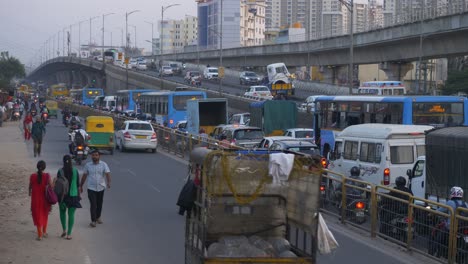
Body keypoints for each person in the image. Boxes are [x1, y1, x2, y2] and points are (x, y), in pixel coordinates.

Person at [80, 150, 111, 227]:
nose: (94, 156)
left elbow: (107, 174)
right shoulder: (88, 165)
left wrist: (109, 182)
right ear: (91, 156)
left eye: (96, 155)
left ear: (99, 156)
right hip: (91, 188)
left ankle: (98, 217)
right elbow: (84, 175)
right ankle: (93, 220)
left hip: (101, 187)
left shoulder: (104, 164)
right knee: (93, 204)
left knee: (99, 203)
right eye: (93, 155)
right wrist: (81, 185)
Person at [57, 155, 81, 240]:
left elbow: (58, 185)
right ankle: (69, 234)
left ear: (63, 161)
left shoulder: (60, 171)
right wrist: (79, 196)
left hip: (62, 196)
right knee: (71, 214)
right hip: (73, 195)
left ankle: (64, 230)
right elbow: (78, 185)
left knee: (62, 213)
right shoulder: (75, 171)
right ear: (71, 161)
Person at [29, 160, 53, 241]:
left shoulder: (32, 176)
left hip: (35, 199)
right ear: (44, 167)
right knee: (44, 214)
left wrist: (30, 193)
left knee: (37, 216)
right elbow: (51, 186)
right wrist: (55, 181)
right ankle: (44, 232)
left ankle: (39, 235)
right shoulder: (47, 176)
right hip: (45, 200)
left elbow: (30, 186)